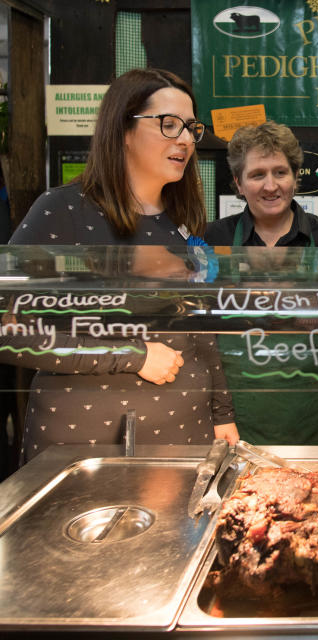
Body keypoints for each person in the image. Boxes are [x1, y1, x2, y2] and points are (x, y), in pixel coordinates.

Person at [8, 67, 238, 462]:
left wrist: (222, 413)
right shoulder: (63, 210)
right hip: (89, 440)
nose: (185, 139)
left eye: (190, 128)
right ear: (122, 128)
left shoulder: (182, 221)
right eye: (169, 124)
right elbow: (7, 329)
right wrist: (132, 354)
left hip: (188, 434)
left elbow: (200, 326)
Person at [205, 121, 318, 445]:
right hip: (241, 408)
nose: (270, 185)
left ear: (295, 177)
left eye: (280, 172)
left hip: (312, 409)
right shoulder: (213, 239)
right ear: (238, 183)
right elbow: (194, 321)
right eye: (257, 174)